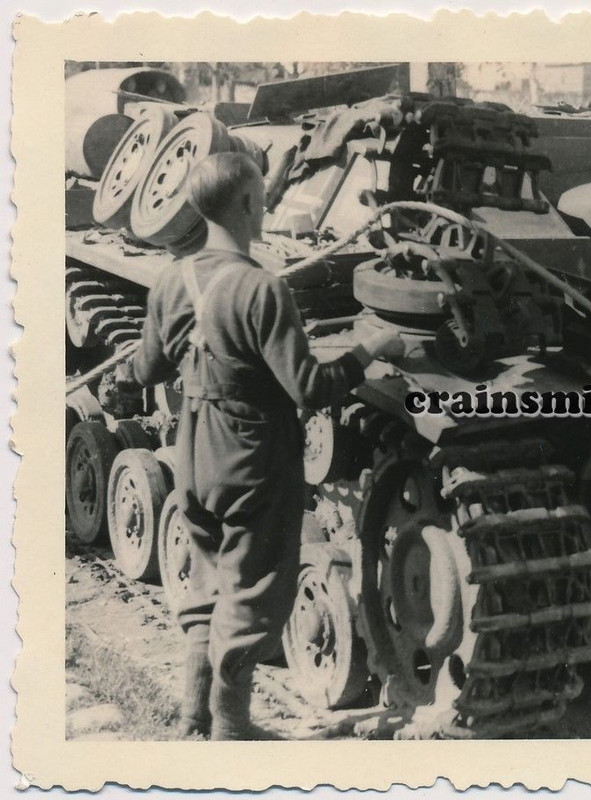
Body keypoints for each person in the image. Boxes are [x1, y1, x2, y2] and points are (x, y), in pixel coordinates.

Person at [116, 151, 403, 740]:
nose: (267, 203)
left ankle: (192, 719)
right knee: (251, 600)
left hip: (194, 452)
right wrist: (371, 347)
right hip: (252, 458)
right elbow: (311, 388)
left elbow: (143, 370)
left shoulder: (172, 278)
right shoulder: (263, 288)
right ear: (248, 203)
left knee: (206, 588)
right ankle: (231, 729)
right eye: (262, 195)